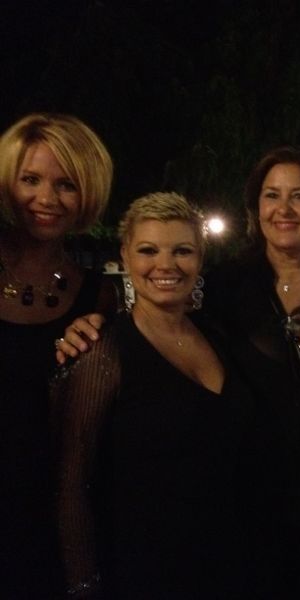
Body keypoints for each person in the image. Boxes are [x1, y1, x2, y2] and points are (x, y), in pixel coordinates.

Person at [58, 146, 300, 599]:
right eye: (271, 195)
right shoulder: (229, 288)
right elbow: (74, 477)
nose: (284, 208)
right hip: (243, 523)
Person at [52, 192, 251, 598]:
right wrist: (84, 586)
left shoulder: (218, 334)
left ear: (200, 258)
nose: (166, 265)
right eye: (148, 250)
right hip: (144, 572)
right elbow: (72, 481)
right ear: (125, 256)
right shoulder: (103, 351)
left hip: (228, 565)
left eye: (182, 251)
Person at [0, 113, 115, 598]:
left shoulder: (99, 296)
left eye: (65, 184)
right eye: (30, 179)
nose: (46, 199)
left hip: (42, 522)